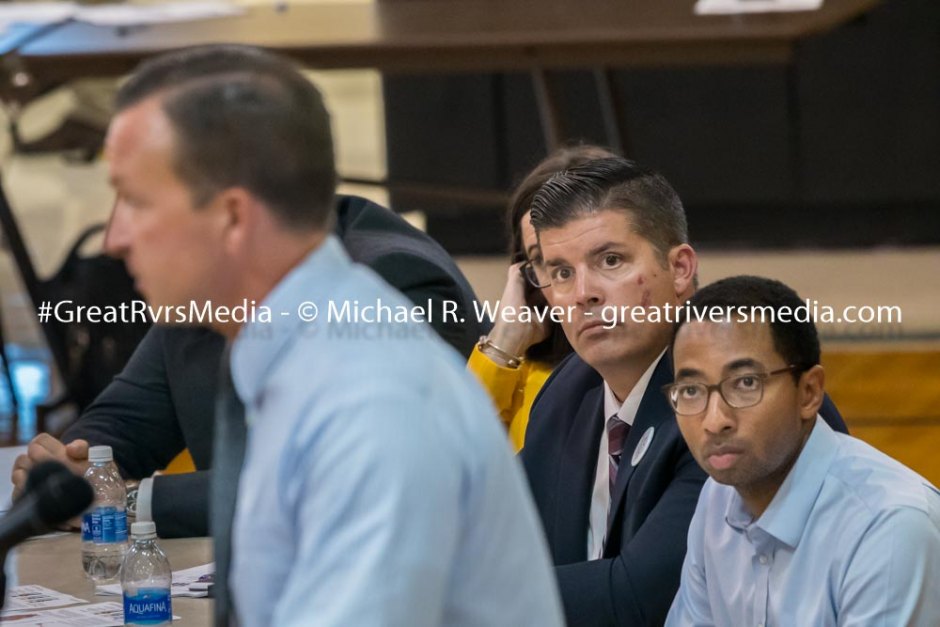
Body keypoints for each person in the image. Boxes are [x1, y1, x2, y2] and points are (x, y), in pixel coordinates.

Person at [70, 44, 570, 627]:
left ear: (232, 217)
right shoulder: (292, 353)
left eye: (134, 200)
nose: (113, 238)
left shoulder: (369, 400)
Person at [11, 190, 486, 538]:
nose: (113, 239)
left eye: (141, 204)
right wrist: (67, 475)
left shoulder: (395, 286)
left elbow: (328, 486)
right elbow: (121, 423)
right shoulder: (212, 285)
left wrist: (123, 502)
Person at [519, 157, 847, 626]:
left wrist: (456, 594)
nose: (582, 293)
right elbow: (490, 530)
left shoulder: (738, 402)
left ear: (680, 268)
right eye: (561, 272)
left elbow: (638, 600)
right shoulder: (566, 394)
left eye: (610, 260)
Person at [665, 275, 940, 626]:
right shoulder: (716, 498)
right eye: (690, 390)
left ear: (809, 392)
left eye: (746, 384)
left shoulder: (890, 528)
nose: (715, 421)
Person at [468, 144, 615, 450]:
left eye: (605, 258)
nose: (582, 290)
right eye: (547, 262)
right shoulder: (520, 373)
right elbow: (448, 459)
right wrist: (505, 340)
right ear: (525, 274)